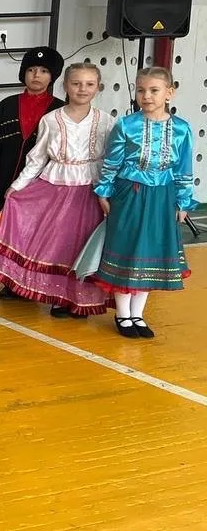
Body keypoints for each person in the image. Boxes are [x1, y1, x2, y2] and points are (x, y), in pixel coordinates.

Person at [0, 64, 113, 317]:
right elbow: (37, 158)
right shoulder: (51, 120)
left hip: (92, 191)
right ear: (65, 86)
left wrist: (109, 192)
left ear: (98, 87)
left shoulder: (106, 122)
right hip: (55, 189)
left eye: (89, 84)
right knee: (60, 245)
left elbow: (111, 161)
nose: (82, 89)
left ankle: (81, 300)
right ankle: (60, 298)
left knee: (85, 245)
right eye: (76, 83)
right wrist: (17, 187)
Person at [91, 67, 196, 338]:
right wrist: (104, 192)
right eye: (141, 90)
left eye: (154, 90)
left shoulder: (182, 129)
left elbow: (184, 169)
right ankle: (122, 314)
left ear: (169, 93)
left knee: (151, 251)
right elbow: (111, 162)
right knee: (127, 248)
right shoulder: (126, 125)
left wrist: (183, 202)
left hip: (163, 197)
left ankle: (137, 314)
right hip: (130, 195)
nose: (146, 96)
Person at [0, 46, 65, 220]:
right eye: (31, 70)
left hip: (43, 180)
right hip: (7, 175)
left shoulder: (60, 110)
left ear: (52, 76)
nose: (36, 75)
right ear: (23, 73)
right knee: (2, 221)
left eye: (44, 71)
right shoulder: (6, 105)